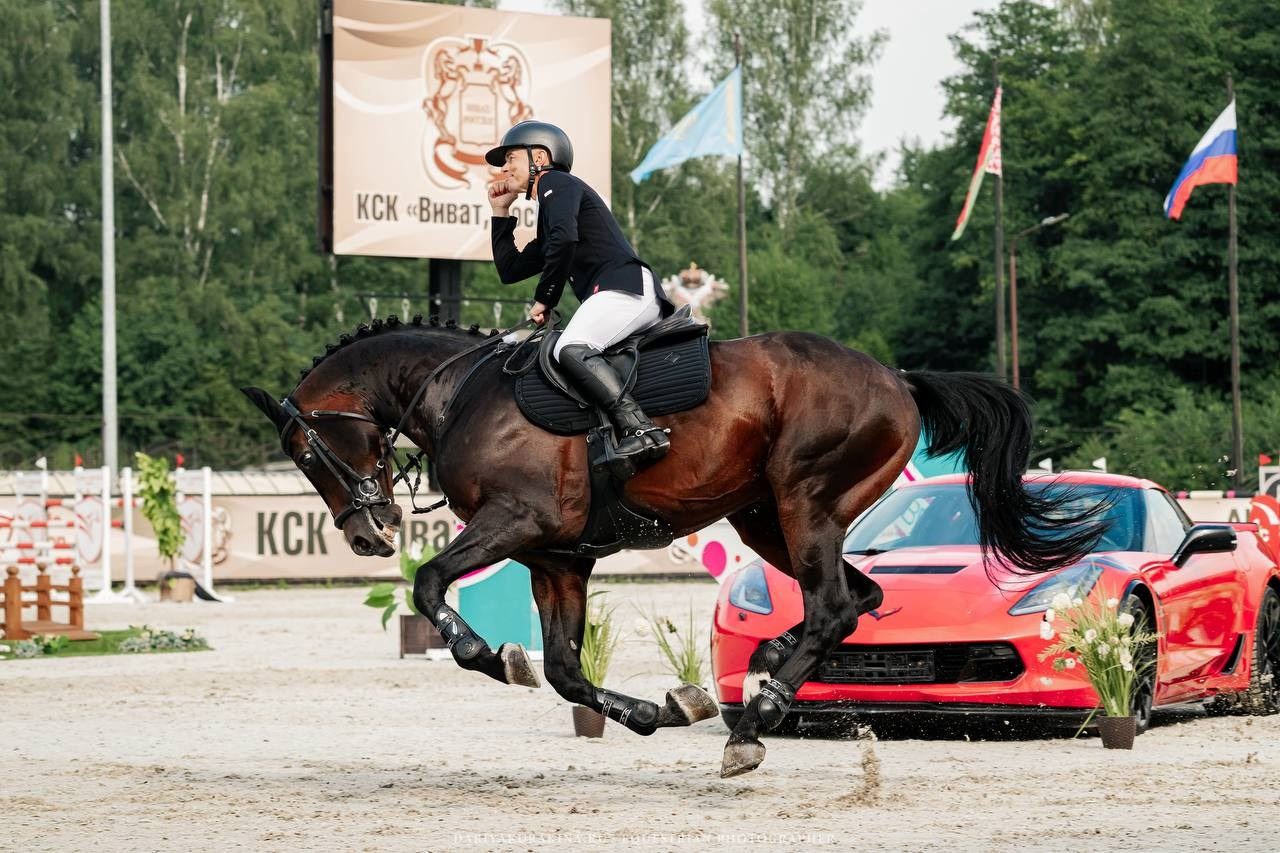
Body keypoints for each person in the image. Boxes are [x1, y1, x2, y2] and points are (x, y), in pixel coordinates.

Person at [486, 120, 675, 473]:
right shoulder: (555, 215)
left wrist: (546, 296)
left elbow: (565, 241)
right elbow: (510, 270)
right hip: (620, 292)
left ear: (539, 157)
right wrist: (500, 213)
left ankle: (641, 427)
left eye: (510, 158)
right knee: (570, 347)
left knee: (569, 347)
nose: (504, 168)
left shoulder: (556, 182)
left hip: (627, 289)